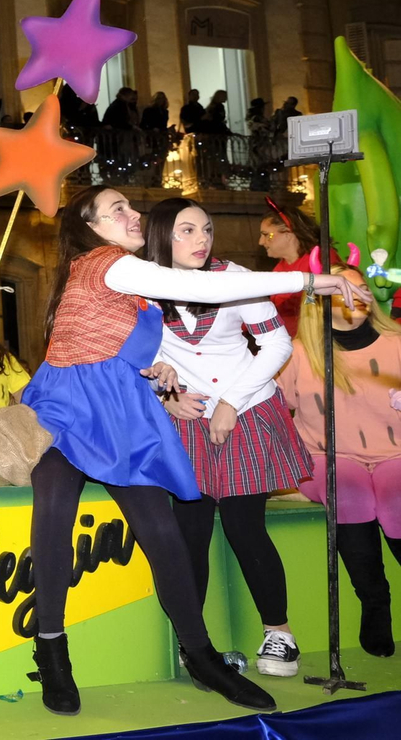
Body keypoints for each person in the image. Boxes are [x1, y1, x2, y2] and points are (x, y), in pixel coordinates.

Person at [20, 184, 367, 717]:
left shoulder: (133, 282)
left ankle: (202, 655)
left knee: (166, 531)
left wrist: (158, 374)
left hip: (122, 414)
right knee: (53, 507)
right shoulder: (107, 264)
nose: (133, 214)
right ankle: (51, 649)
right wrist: (312, 279)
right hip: (71, 412)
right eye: (117, 210)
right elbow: (193, 286)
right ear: (91, 227)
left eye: (131, 207)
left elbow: (128, 347)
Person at [143, 198, 311, 678]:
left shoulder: (233, 278)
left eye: (206, 229)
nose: (201, 239)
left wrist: (230, 402)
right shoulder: (140, 285)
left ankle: (280, 635)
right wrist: (165, 396)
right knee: (189, 534)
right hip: (186, 418)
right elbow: (130, 356)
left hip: (246, 408)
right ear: (161, 235)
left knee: (244, 526)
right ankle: (195, 646)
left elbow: (276, 342)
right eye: (187, 230)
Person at [278, 263, 401, 657]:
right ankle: (375, 602)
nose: (357, 297)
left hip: (395, 453)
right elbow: (274, 408)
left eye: (362, 288)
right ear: (319, 302)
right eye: (342, 290)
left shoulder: (397, 343)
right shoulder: (300, 353)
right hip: (326, 454)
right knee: (348, 492)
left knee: (397, 499)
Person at [259, 199, 320, 337]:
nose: (261, 242)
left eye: (267, 235)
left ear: (288, 233)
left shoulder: (321, 260)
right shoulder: (279, 268)